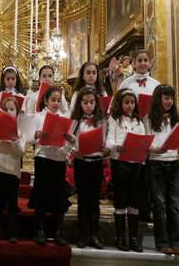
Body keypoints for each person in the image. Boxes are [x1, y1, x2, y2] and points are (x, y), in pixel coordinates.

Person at [145, 84, 179, 255]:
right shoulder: (149, 119)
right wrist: (156, 149)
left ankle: (176, 242)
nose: (169, 101)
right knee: (159, 205)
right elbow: (146, 144)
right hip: (156, 163)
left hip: (173, 163)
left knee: (173, 205)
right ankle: (162, 242)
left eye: (172, 98)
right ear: (158, 99)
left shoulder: (176, 120)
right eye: (166, 97)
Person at [28, 87, 76, 246]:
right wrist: (36, 135)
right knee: (41, 194)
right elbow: (30, 138)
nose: (56, 103)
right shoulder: (38, 116)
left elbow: (70, 144)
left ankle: (57, 231)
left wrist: (71, 140)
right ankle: (39, 230)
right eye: (53, 100)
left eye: (58, 100)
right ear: (46, 101)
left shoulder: (64, 117)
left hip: (59, 159)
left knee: (58, 196)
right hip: (43, 157)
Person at [119, 50, 160, 222]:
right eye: (139, 60)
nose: (143, 63)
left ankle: (145, 209)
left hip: (150, 128)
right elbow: (119, 106)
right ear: (133, 62)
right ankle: (129, 207)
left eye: (146, 60)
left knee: (148, 172)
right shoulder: (126, 83)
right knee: (133, 171)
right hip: (132, 128)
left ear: (149, 62)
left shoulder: (156, 84)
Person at [0, 96, 26, 243]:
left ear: (17, 112)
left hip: (13, 170)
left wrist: (15, 141)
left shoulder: (21, 128)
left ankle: (12, 231)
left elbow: (21, 152)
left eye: (12, 109)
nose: (8, 112)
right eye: (6, 109)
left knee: (12, 203)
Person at [106, 88, 145, 252]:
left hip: (136, 164)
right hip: (119, 162)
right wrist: (116, 146)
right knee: (121, 199)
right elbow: (109, 141)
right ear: (120, 103)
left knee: (134, 201)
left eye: (132, 102)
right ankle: (120, 237)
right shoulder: (114, 119)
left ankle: (134, 238)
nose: (129, 106)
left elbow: (143, 141)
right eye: (126, 102)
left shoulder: (139, 122)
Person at [70, 86, 109, 249]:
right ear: (80, 104)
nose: (88, 105)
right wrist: (73, 151)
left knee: (94, 201)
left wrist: (106, 150)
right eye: (85, 102)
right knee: (83, 200)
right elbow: (67, 142)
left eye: (91, 102)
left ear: (96, 103)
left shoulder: (102, 121)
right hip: (81, 163)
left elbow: (107, 142)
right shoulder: (75, 121)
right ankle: (82, 235)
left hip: (96, 163)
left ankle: (94, 235)